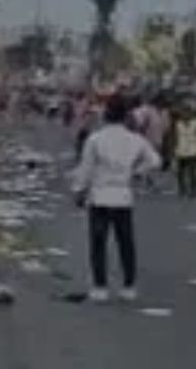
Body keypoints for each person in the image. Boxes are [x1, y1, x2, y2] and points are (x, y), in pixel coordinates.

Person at [71, 95, 162, 303]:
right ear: (125, 116)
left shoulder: (95, 139)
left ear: (106, 114)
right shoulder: (135, 139)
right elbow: (155, 161)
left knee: (98, 244)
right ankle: (128, 286)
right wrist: (137, 172)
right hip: (123, 196)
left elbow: (86, 169)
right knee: (125, 243)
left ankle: (100, 286)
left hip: (100, 196)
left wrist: (79, 191)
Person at [173, 108, 196, 198]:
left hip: (193, 150)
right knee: (180, 172)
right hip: (181, 150)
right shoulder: (178, 124)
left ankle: (193, 189)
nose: (185, 115)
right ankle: (182, 188)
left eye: (187, 113)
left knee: (192, 172)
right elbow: (175, 137)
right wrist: (174, 149)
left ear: (191, 114)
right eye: (184, 113)